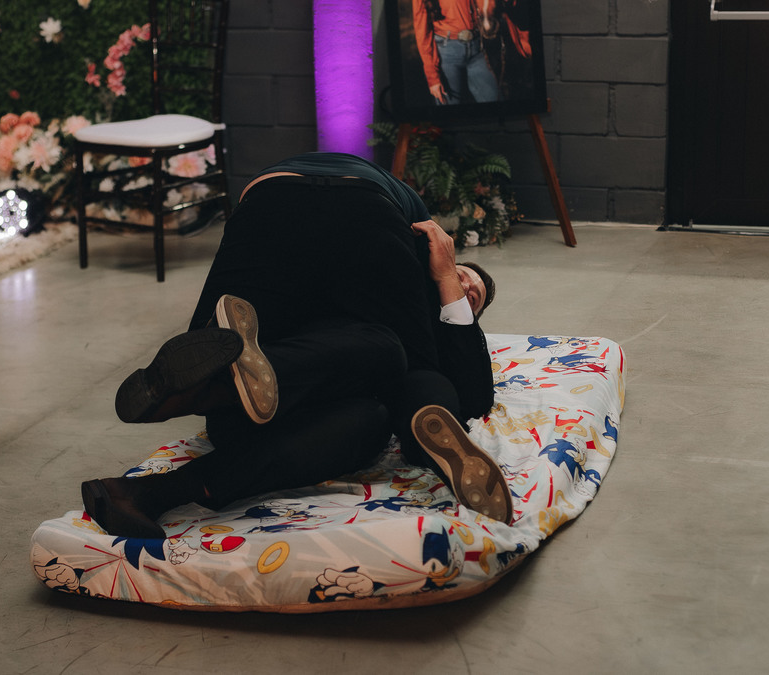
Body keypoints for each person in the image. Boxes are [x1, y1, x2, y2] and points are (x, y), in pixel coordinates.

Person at [81, 152, 511, 539]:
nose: (463, 291)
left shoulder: (379, 327)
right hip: (358, 203)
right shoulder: (416, 263)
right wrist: (445, 275)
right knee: (405, 362)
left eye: (471, 299)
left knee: (366, 422)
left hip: (269, 234)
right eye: (464, 278)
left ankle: (156, 471)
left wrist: (451, 284)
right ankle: (420, 433)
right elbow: (472, 394)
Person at [412, 0, 502, 105]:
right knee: (449, 106)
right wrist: (432, 76)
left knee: (495, 98)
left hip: (476, 49)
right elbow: (422, 31)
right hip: (446, 54)